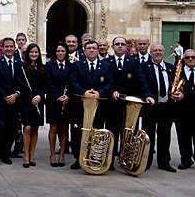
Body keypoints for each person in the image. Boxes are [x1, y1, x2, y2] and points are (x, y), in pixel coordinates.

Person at [68, 40, 114, 170]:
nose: (92, 50)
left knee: (97, 131)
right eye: (89, 48)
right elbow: (73, 81)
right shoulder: (77, 65)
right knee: (78, 132)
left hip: (99, 105)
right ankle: (79, 159)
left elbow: (110, 83)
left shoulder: (106, 65)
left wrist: (100, 93)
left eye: (94, 48)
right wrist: (83, 92)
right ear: (84, 50)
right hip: (80, 105)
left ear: (98, 50)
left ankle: (94, 158)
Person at [105, 36, 148, 170]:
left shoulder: (134, 63)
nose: (120, 46)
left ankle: (126, 160)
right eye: (117, 44)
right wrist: (112, 91)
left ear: (126, 47)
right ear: (112, 47)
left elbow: (141, 81)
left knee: (128, 134)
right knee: (112, 133)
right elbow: (106, 81)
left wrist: (148, 95)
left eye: (122, 44)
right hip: (112, 105)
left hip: (129, 105)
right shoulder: (107, 62)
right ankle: (110, 161)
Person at [142, 44, 181, 172]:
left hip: (167, 107)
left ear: (163, 53)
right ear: (151, 53)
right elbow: (143, 85)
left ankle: (164, 162)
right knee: (149, 136)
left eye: (160, 50)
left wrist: (179, 93)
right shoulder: (144, 67)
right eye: (155, 50)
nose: (157, 52)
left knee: (165, 136)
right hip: (151, 107)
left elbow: (179, 84)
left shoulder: (171, 68)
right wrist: (148, 95)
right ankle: (146, 162)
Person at [0, 37, 26, 167]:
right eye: (7, 47)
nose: (9, 49)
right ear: (2, 48)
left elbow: (22, 83)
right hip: (0, 102)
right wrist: (5, 96)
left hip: (14, 103)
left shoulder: (19, 64)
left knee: (11, 130)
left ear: (14, 48)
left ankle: (5, 155)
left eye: (11, 46)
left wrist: (16, 95)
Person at [44, 42, 71, 167]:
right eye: (58, 51)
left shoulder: (71, 66)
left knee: (64, 129)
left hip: (66, 101)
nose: (60, 53)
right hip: (53, 101)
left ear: (66, 52)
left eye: (62, 51)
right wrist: (57, 97)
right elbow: (48, 83)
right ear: (55, 53)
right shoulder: (49, 65)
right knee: (53, 128)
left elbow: (73, 82)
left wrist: (67, 96)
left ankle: (62, 155)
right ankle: (52, 155)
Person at [20, 43, 45, 168]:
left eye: (36, 52)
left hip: (38, 101)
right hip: (26, 101)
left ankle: (32, 154)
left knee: (35, 128)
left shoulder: (42, 68)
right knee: (27, 127)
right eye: (31, 52)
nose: (34, 54)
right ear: (27, 54)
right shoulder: (22, 67)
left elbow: (44, 85)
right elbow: (20, 84)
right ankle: (25, 155)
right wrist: (29, 97)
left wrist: (40, 96)